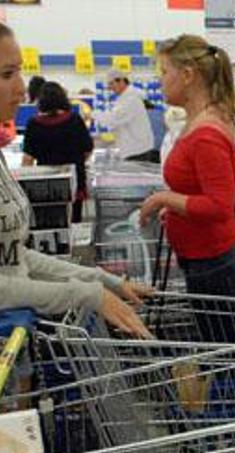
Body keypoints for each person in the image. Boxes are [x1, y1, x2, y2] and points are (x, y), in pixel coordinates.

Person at [0, 23, 151, 338]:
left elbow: (16, 256)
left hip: (14, 338)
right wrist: (86, 294)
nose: (22, 89)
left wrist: (102, 281)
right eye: (6, 74)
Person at [139, 35, 235, 342]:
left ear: (188, 75)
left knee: (223, 353)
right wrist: (175, 206)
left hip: (216, 262)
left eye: (164, 72)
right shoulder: (203, 121)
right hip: (207, 258)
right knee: (221, 347)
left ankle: (224, 391)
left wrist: (164, 198)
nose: (159, 81)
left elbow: (219, 206)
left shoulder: (206, 133)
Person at [22, 82, 93, 222]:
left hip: (46, 183)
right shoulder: (74, 120)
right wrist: (76, 162)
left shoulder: (34, 124)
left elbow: (28, 159)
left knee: (49, 221)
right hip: (74, 179)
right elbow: (88, 149)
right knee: (74, 220)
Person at [94, 69, 157, 163]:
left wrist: (93, 114)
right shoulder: (126, 98)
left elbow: (114, 118)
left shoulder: (131, 99)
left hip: (137, 151)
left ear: (121, 81)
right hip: (136, 149)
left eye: (112, 83)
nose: (110, 88)